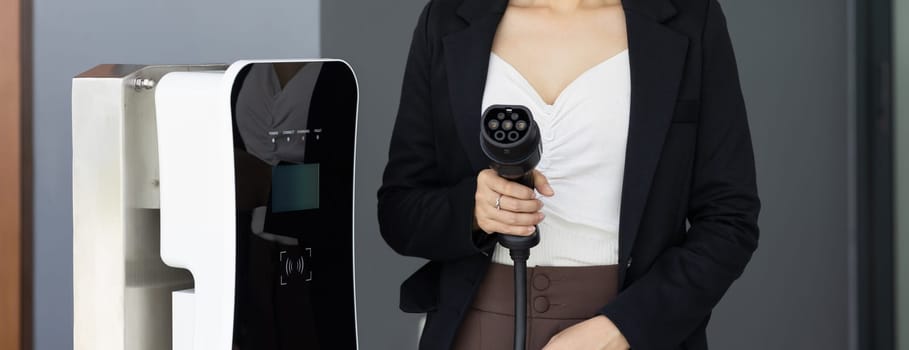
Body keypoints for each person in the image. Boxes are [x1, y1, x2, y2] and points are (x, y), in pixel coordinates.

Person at [377, 0, 760, 348]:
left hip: (627, 333)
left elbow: (730, 220)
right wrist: (473, 212)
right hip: (476, 328)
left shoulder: (691, 18)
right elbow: (399, 211)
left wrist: (622, 328)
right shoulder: (448, 18)